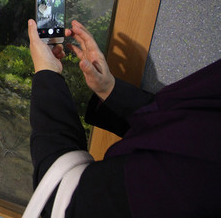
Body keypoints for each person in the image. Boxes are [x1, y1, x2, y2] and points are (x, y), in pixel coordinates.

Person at [26, 19, 221, 218]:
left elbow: (64, 198)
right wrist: (109, 89)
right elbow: (184, 129)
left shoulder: (198, 180)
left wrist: (46, 73)